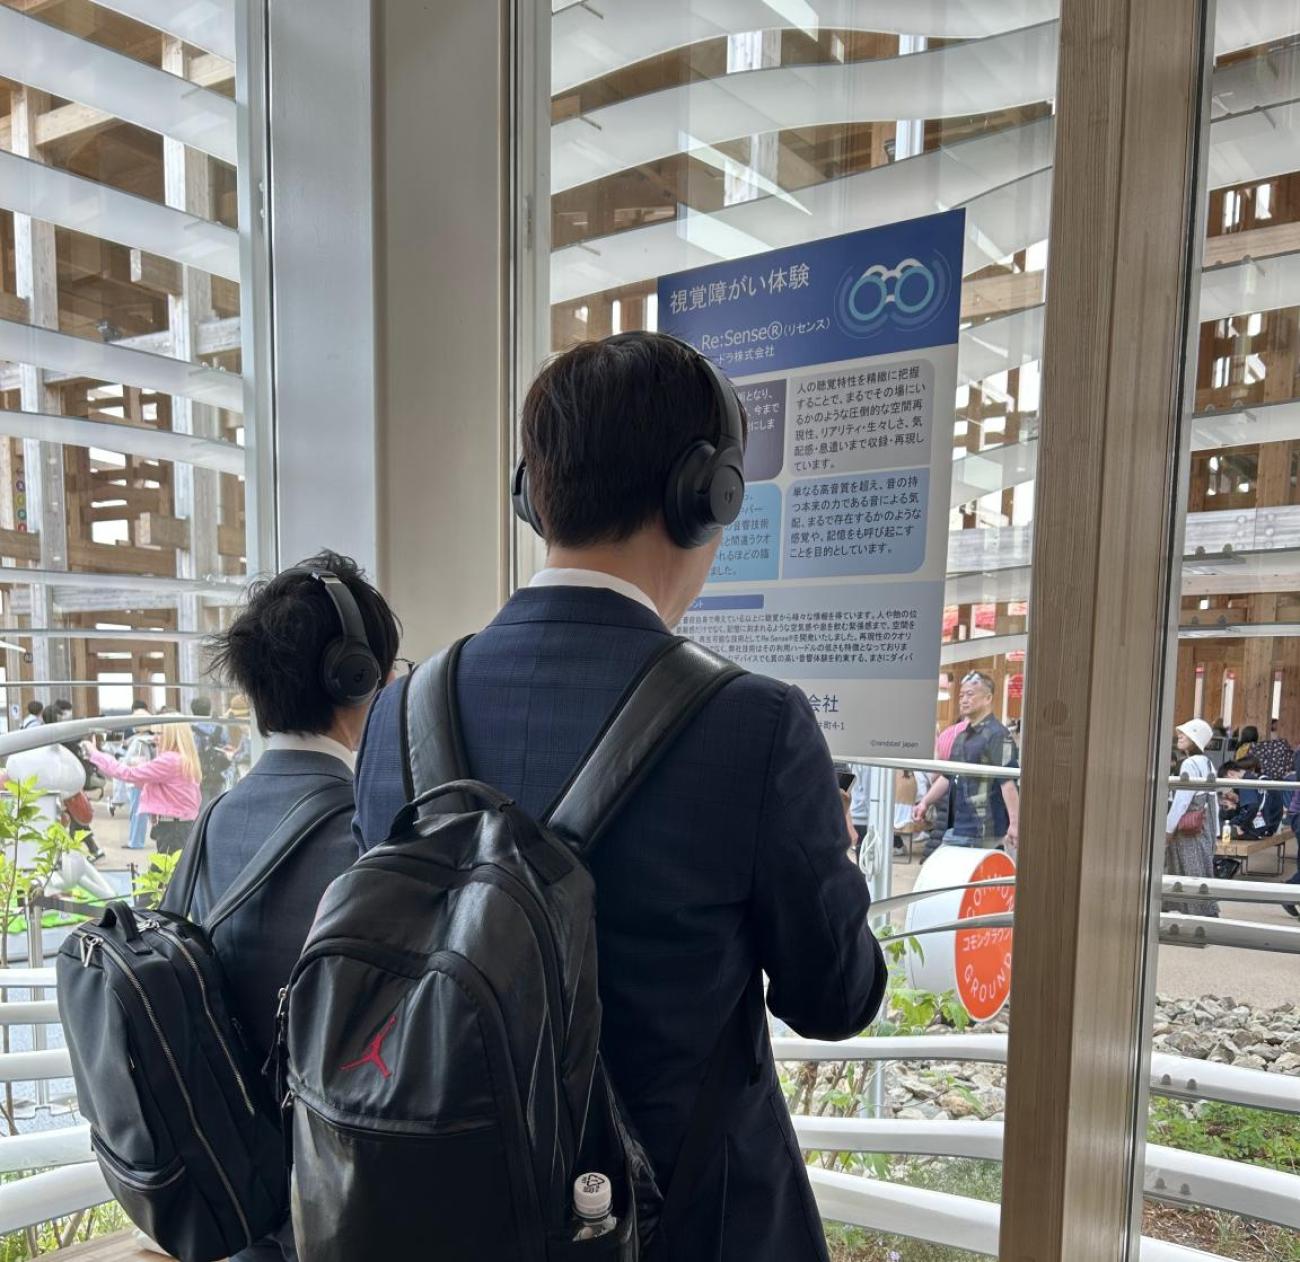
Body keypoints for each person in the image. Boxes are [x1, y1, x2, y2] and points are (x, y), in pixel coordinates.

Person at [354, 332, 885, 1262]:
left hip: (463, 1222)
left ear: (532, 495)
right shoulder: (756, 725)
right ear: (706, 494)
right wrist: (829, 859)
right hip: (690, 1227)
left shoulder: (399, 713)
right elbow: (836, 998)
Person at [192, 552, 401, 1262]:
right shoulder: (374, 837)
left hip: (235, 1198)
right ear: (358, 678)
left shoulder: (212, 823)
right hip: (338, 1210)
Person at [914, 672, 1020, 858]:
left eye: (970, 694)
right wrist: (925, 802)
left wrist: (1015, 823)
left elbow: (1008, 783)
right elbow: (948, 776)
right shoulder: (962, 736)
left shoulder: (998, 735)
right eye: (961, 695)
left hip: (986, 830)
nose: (963, 700)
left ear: (988, 698)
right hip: (959, 826)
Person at [84, 722, 201, 855]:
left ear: (172, 736)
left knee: (164, 867)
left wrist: (94, 754)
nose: (154, 738)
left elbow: (128, 774)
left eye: (159, 734)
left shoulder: (169, 760)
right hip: (181, 825)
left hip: (173, 829)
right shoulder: (184, 759)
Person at [1165, 718, 1219, 916]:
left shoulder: (1189, 763)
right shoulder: (1207, 762)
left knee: (1188, 871)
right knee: (1201, 870)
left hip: (1188, 828)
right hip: (1204, 826)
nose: (1180, 736)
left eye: (1186, 734)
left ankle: (1199, 915)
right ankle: (1206, 913)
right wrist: (1216, 833)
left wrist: (1168, 829)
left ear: (1195, 738)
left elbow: (1182, 800)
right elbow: (1213, 801)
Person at [1220, 757, 1284, 840]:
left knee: (1219, 828)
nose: (1230, 785)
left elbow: (1253, 807)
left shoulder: (1245, 782)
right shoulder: (1255, 779)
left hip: (1255, 829)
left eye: (1227, 781)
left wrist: (1242, 827)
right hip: (1269, 826)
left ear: (1230, 774)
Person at [189, 696, 230, 806]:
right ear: (209, 709)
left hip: (200, 774)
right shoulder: (219, 728)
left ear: (193, 711)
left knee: (202, 807)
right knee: (217, 805)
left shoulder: (191, 730)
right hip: (218, 772)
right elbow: (226, 745)